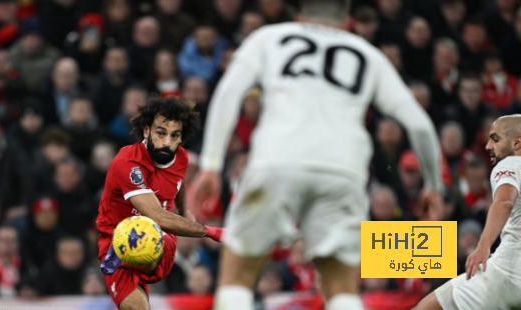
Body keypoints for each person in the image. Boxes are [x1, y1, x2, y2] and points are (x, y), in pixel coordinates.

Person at [190, 1, 445, 310]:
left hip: (276, 161)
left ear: (299, 18)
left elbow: (228, 92)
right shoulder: (367, 55)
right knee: (342, 290)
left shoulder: (269, 38)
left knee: (237, 278)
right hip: (343, 170)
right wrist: (433, 185)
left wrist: (211, 166)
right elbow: (420, 126)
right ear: (348, 22)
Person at [96, 95, 224, 310]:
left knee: (146, 234)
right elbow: (156, 214)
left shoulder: (180, 156)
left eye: (175, 136)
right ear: (146, 131)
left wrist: (184, 210)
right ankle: (123, 253)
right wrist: (213, 232)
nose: (168, 142)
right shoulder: (128, 162)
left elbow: (178, 179)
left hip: (160, 236)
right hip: (114, 237)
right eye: (161, 133)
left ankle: (126, 255)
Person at [414, 114, 521, 309]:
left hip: (507, 274)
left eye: (495, 139)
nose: (488, 145)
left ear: (517, 142)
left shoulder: (510, 164)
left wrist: (483, 245)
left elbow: (505, 201)